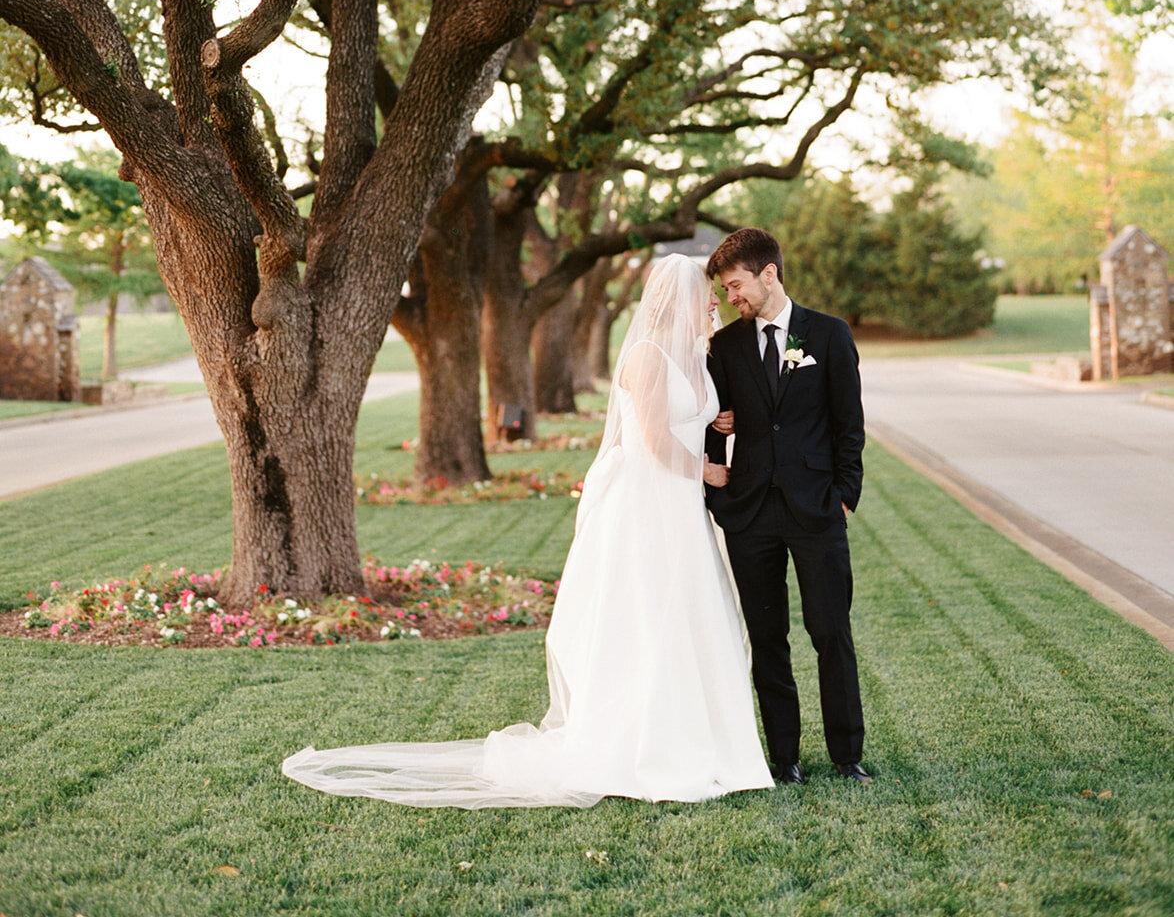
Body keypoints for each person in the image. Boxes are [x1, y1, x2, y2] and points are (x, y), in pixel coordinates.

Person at [282, 253, 773, 807]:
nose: (713, 300)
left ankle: (700, 741)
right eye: (705, 293)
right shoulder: (647, 356)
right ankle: (644, 748)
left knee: (685, 617)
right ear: (679, 299)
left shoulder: (693, 355)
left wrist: (714, 418)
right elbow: (656, 442)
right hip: (651, 506)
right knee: (649, 617)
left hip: (679, 508)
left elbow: (683, 417)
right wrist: (708, 469)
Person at [703, 227, 870, 785]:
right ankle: (784, 758)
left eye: (736, 286)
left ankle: (848, 755)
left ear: (768, 274)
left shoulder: (828, 335)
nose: (732, 299)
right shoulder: (724, 348)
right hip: (749, 515)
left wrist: (844, 494)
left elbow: (850, 424)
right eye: (727, 291)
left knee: (830, 632)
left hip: (817, 508)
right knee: (768, 640)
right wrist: (718, 492)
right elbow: (709, 419)